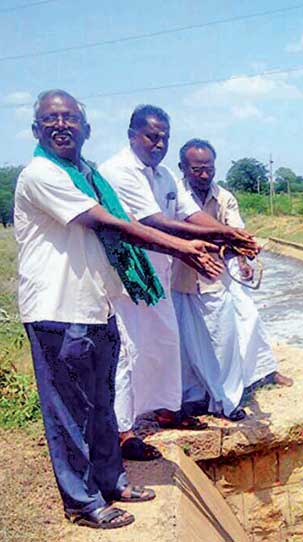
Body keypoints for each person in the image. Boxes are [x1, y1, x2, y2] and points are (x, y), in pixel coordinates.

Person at [15, 89, 223, 529]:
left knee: (102, 405)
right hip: (57, 309)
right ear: (36, 130)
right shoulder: (42, 174)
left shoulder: (86, 173)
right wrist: (182, 246)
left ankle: (111, 480)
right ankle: (82, 501)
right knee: (68, 412)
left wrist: (191, 243)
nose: (62, 125)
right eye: (51, 119)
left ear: (86, 130)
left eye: (70, 118)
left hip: (97, 305)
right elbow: (112, 224)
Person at [99, 105, 259, 460]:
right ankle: (124, 432)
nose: (159, 144)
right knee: (129, 351)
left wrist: (228, 233)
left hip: (159, 274)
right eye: (151, 136)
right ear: (132, 135)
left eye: (164, 138)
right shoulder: (118, 171)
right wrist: (213, 236)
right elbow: (155, 222)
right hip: (126, 275)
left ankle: (166, 410)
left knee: (164, 342)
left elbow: (190, 214)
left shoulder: (165, 175)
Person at [171, 139, 292, 421]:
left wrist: (242, 256)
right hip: (181, 277)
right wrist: (225, 240)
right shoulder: (173, 194)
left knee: (225, 339)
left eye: (208, 169)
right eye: (197, 169)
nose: (203, 175)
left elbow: (235, 232)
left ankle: (229, 400)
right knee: (186, 343)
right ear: (183, 168)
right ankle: (193, 397)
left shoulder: (224, 197)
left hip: (216, 277)